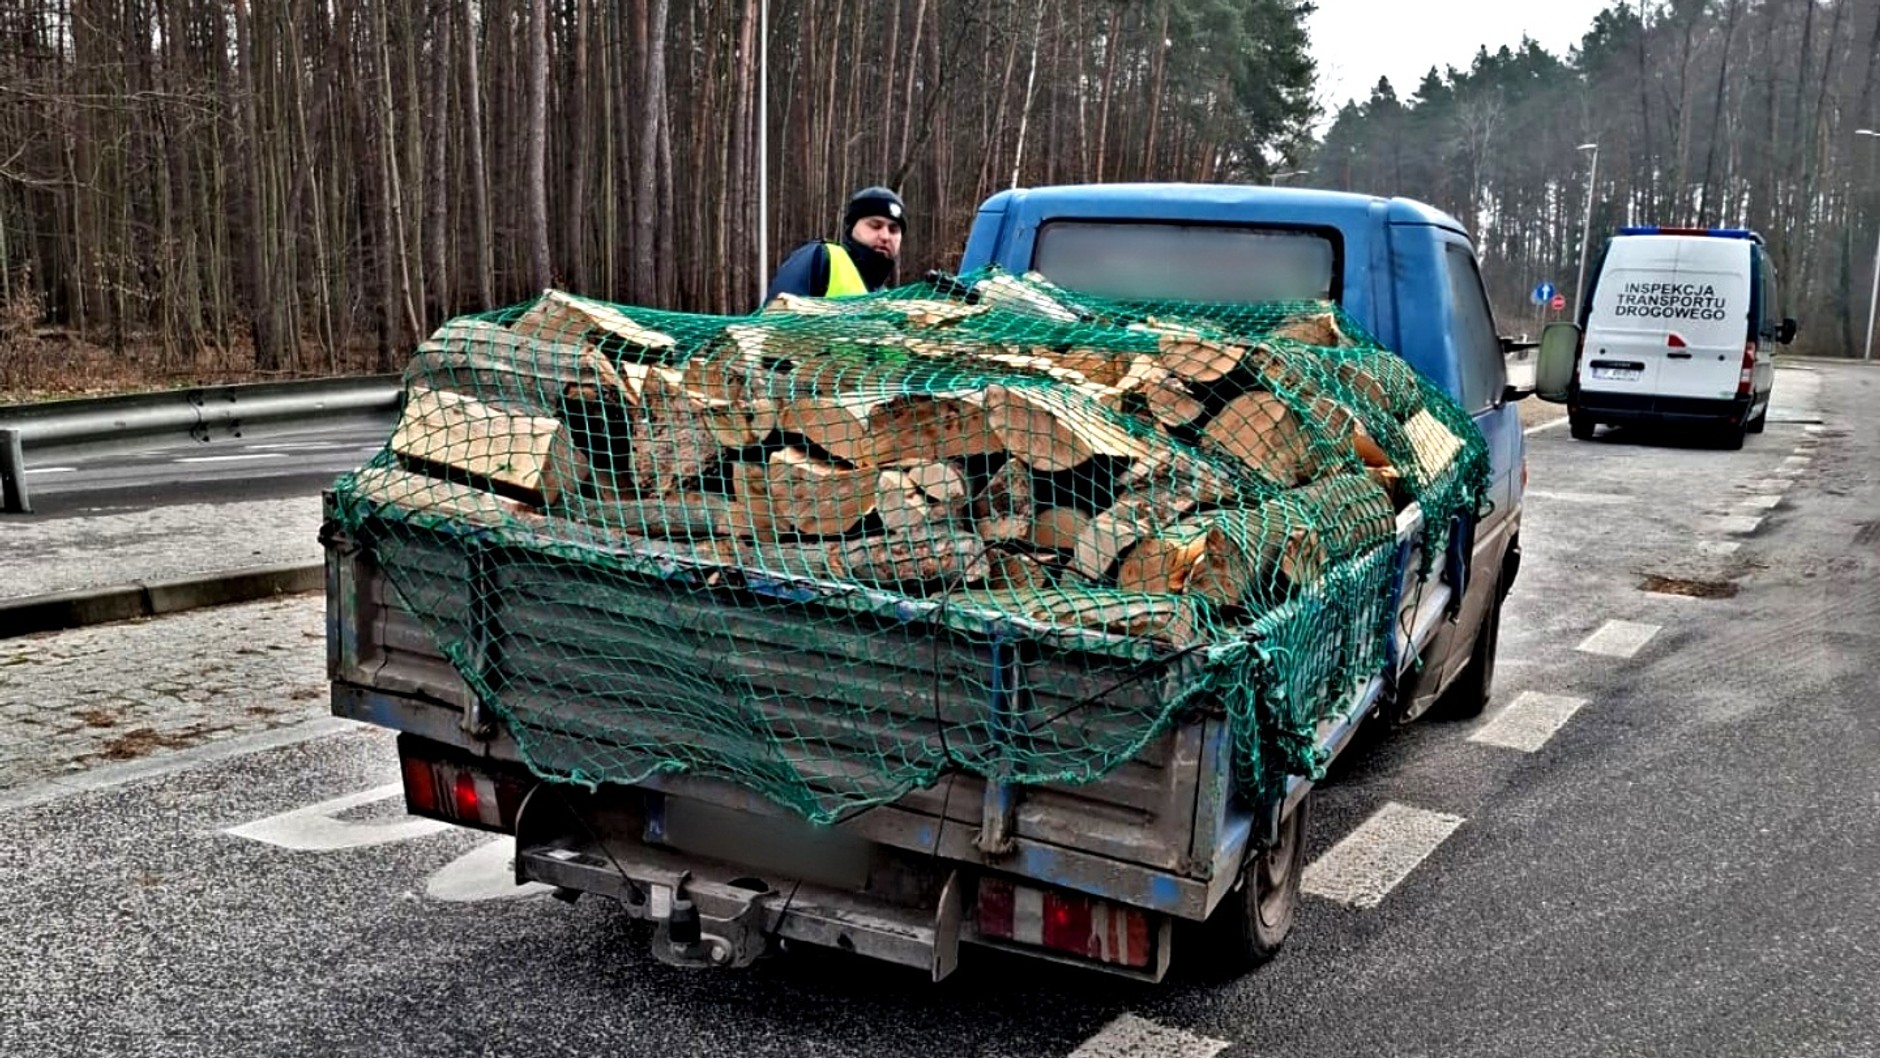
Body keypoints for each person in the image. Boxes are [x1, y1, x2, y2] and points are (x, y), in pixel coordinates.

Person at [763, 186, 906, 304]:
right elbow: (779, 314)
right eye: (875, 226)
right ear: (852, 228)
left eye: (893, 230)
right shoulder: (821, 257)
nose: (885, 236)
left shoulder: (886, 298)